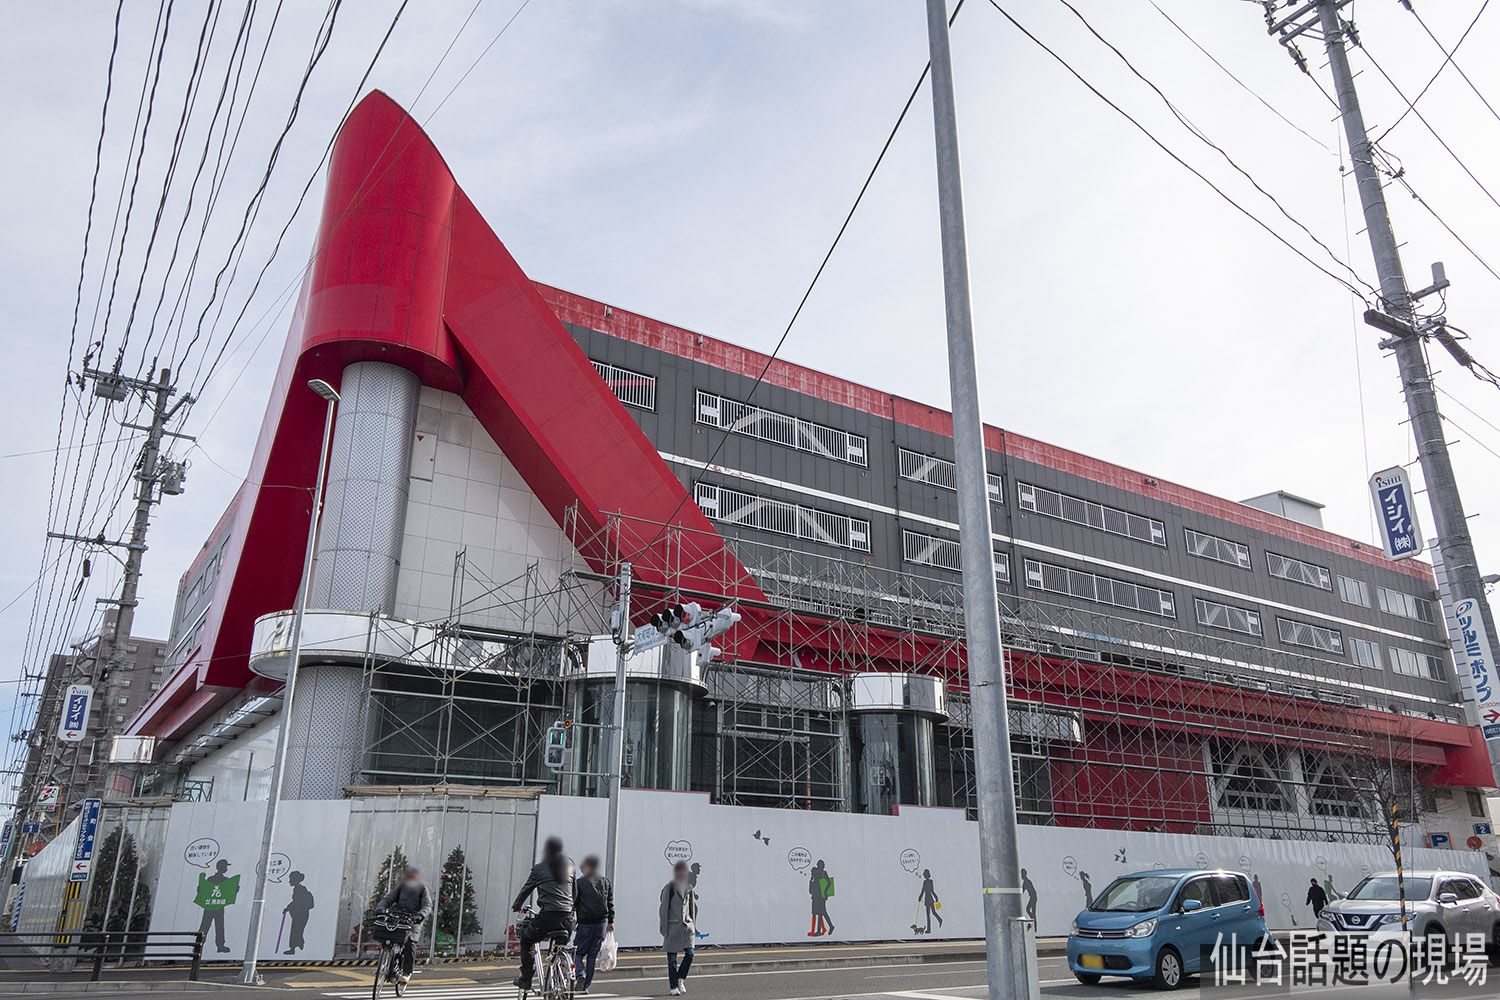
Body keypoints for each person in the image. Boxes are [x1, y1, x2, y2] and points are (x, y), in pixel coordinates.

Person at [513, 837, 578, 992]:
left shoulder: (538, 869)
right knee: (558, 946)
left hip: (548, 916)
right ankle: (559, 973)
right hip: (568, 919)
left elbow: (526, 889)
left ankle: (526, 978)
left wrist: (517, 906)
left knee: (527, 940)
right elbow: (575, 893)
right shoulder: (570, 866)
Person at [375, 866, 433, 984]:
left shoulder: (422, 889)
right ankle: (386, 962)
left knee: (410, 943)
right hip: (397, 917)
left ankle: (406, 972)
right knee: (387, 937)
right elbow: (388, 899)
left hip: (413, 920)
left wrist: (420, 915)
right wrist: (380, 908)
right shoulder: (400, 887)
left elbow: (427, 906)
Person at [573, 855, 614, 994]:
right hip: (600, 924)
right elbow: (610, 903)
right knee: (592, 956)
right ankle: (586, 986)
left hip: (584, 924)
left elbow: (574, 903)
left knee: (578, 953)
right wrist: (611, 921)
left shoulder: (579, 883)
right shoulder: (605, 882)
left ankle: (580, 974)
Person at [660, 861, 698, 995]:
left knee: (690, 954)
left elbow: (692, 908)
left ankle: (680, 977)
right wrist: (663, 928)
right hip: (672, 927)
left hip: (687, 927)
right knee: (672, 960)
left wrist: (693, 925)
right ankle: (674, 986)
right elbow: (663, 909)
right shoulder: (669, 888)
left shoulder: (689, 887)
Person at [283, 871, 315, 955]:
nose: (290, 881)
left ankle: (295, 947)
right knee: (297, 930)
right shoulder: (298, 889)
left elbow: (297, 901)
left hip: (300, 914)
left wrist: (288, 908)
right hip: (301, 913)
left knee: (296, 930)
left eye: (291, 879)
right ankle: (298, 944)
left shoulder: (300, 889)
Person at [808, 860, 834, 937]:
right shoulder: (818, 873)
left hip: (820, 896)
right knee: (820, 913)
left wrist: (825, 892)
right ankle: (825, 928)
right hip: (817, 896)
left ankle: (822, 929)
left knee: (821, 913)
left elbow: (829, 882)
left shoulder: (823, 873)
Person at [918, 869, 942, 934]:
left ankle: (939, 920)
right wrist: (920, 897)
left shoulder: (929, 882)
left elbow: (931, 891)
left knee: (931, 913)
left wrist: (936, 897)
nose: (924, 876)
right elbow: (923, 891)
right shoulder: (926, 882)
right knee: (929, 914)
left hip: (929, 899)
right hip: (928, 899)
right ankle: (929, 929)